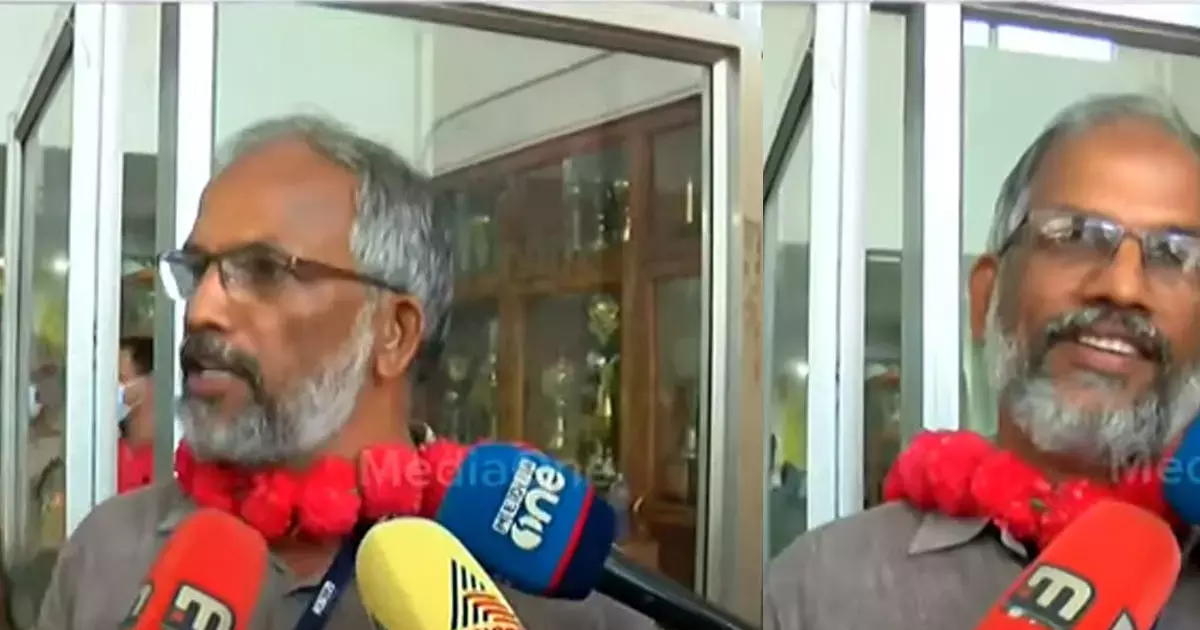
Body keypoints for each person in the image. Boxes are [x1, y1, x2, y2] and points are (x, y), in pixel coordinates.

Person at [35, 116, 655, 630]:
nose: (201, 309)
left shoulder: (560, 602)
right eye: (199, 271)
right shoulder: (106, 554)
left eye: (264, 269)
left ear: (394, 333)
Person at [765, 93, 1200, 629]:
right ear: (985, 298)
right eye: (1076, 236)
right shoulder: (816, 590)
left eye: (1175, 255)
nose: (1123, 287)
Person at [117, 335, 155, 493]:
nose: (112, 388)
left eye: (121, 378)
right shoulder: (103, 453)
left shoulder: (172, 461)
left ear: (150, 384)